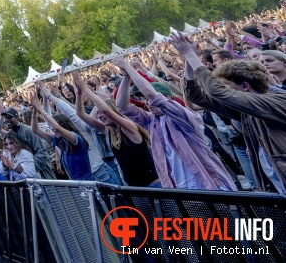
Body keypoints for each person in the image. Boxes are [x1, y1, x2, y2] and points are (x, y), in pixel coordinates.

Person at [171, 32, 286, 194]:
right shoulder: (246, 112)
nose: (222, 89)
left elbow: (216, 92)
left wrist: (191, 54)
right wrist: (189, 59)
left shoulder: (274, 101)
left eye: (225, 85)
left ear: (245, 86)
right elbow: (195, 97)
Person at [114, 57, 236, 191]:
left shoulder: (183, 115)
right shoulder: (152, 121)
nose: (148, 103)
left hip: (208, 184)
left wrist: (129, 68)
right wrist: (126, 77)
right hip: (178, 187)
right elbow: (122, 107)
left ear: (169, 98)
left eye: (149, 99)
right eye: (145, 100)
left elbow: (152, 96)